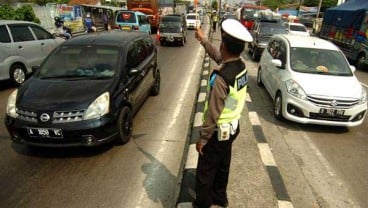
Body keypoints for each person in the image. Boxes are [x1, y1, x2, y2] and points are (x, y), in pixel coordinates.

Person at [193, 19, 253, 208]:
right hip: (233, 128)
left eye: (222, 41)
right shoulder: (240, 67)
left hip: (218, 131)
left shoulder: (221, 77)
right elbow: (220, 57)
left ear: (224, 45)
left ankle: (203, 203)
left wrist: (203, 138)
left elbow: (213, 112)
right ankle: (220, 199)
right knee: (222, 165)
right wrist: (203, 40)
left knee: (205, 171)